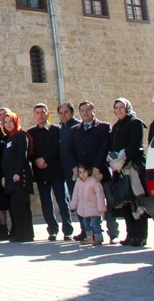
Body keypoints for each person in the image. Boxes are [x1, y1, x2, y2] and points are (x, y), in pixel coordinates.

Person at [69, 101, 118, 243]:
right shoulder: (75, 130)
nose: (85, 112)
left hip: (100, 172)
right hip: (83, 175)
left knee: (106, 203)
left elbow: (104, 148)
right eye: (82, 110)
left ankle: (113, 233)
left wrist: (96, 167)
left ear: (93, 111)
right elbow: (70, 150)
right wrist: (76, 169)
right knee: (87, 205)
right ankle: (94, 234)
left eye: (88, 110)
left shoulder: (103, 127)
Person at [27, 103, 73, 241]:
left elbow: (57, 147)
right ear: (34, 115)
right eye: (37, 112)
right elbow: (29, 151)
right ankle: (52, 229)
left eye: (42, 112)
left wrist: (45, 159)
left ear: (48, 114)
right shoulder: (30, 133)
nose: (40, 115)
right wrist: (36, 160)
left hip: (55, 171)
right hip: (40, 173)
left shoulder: (56, 130)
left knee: (62, 201)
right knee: (46, 203)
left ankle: (68, 230)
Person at [110, 98, 148, 247]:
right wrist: (114, 161)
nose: (119, 110)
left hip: (133, 167)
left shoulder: (135, 122)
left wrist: (122, 161)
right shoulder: (116, 126)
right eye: (116, 107)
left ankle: (141, 236)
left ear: (127, 108)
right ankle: (130, 234)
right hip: (119, 169)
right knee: (125, 202)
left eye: (122, 107)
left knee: (137, 202)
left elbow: (134, 145)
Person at [1, 112, 34, 242]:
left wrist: (18, 172)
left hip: (19, 177)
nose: (8, 124)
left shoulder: (21, 135)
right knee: (14, 207)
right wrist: (4, 176)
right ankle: (18, 232)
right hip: (10, 178)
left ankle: (24, 234)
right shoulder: (9, 138)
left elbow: (23, 155)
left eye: (11, 121)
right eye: (6, 122)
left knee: (20, 206)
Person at [57, 102, 82, 238]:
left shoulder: (78, 126)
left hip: (78, 170)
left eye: (66, 112)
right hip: (66, 170)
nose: (64, 115)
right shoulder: (62, 128)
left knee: (84, 200)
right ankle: (84, 229)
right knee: (75, 199)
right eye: (61, 113)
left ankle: (91, 230)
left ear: (72, 113)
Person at [70, 164, 106, 246]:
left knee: (95, 223)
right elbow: (75, 195)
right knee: (86, 224)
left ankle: (98, 237)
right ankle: (89, 238)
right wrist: (73, 206)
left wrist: (101, 207)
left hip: (94, 208)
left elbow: (100, 195)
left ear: (89, 171)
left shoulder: (94, 181)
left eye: (84, 172)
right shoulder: (78, 182)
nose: (82, 174)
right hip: (83, 209)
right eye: (80, 172)